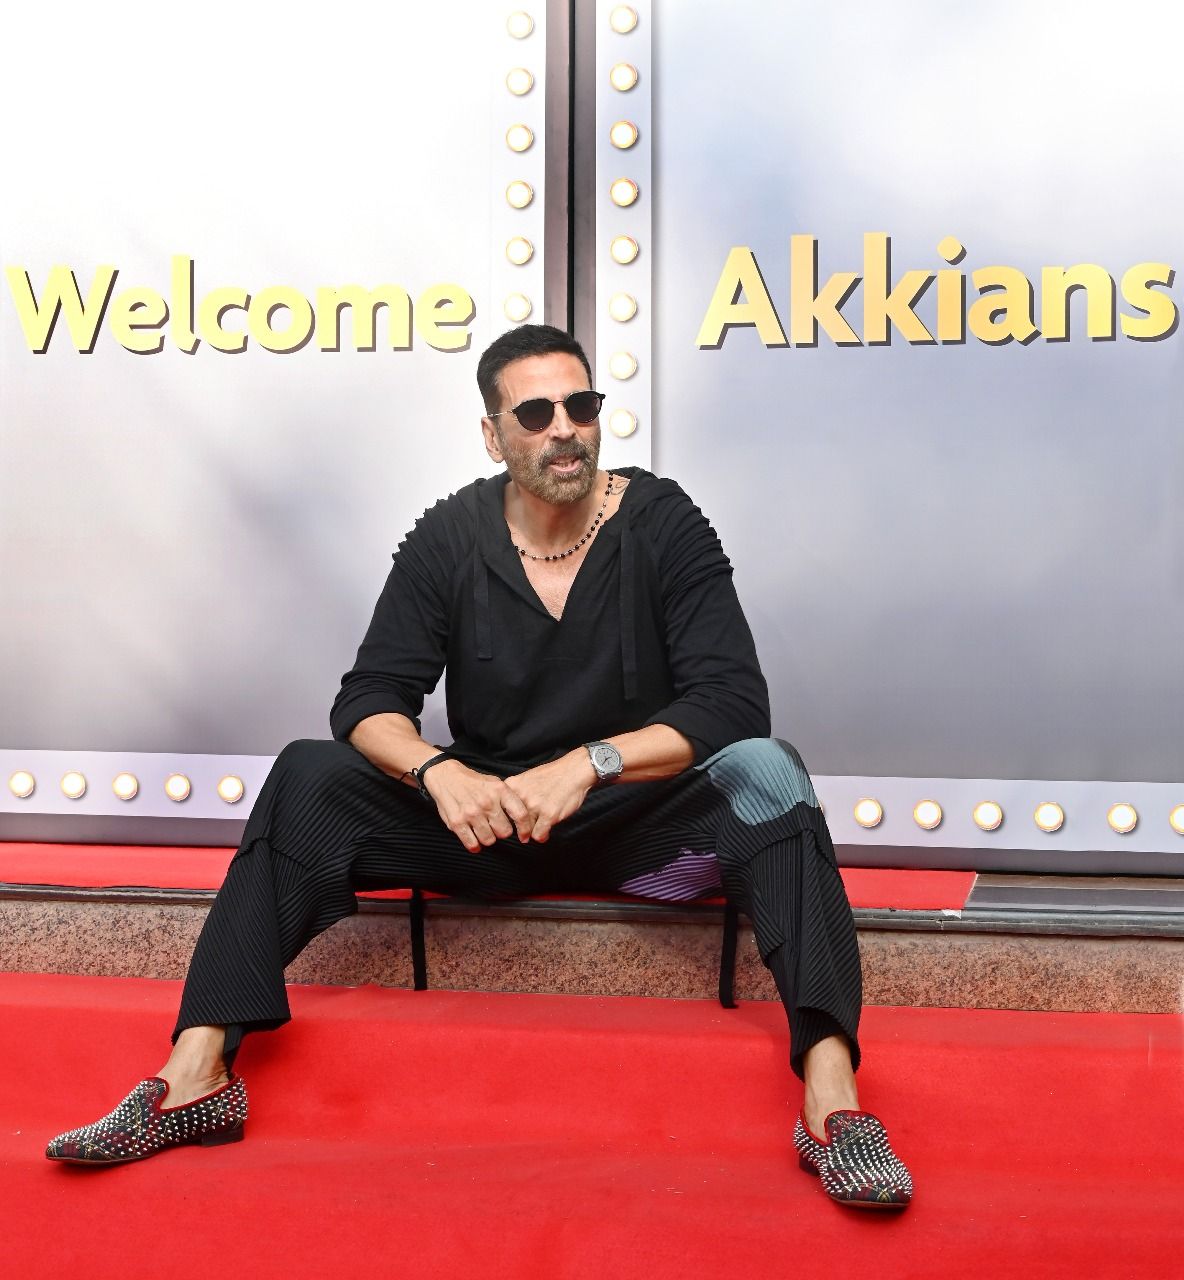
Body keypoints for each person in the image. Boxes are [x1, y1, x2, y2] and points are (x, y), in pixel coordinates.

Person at [46, 324, 912, 1209]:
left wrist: (591, 764)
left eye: (581, 406)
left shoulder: (663, 520)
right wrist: (438, 774)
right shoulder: (450, 535)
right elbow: (368, 699)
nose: (563, 428)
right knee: (306, 773)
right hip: (486, 829)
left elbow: (732, 703)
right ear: (494, 436)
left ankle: (833, 1102)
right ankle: (195, 1076)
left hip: (638, 829)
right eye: (534, 414)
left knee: (770, 771)